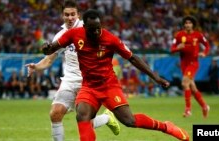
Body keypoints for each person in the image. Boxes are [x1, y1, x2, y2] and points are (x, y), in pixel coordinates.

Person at [42, 9, 189, 141]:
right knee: (82, 115)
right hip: (89, 87)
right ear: (84, 27)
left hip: (108, 86)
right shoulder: (74, 34)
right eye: (92, 30)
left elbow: (132, 57)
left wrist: (155, 77)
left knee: (129, 121)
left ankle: (166, 127)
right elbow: (51, 49)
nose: (96, 33)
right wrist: (46, 48)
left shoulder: (110, 39)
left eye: (98, 28)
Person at [25, 2, 120, 141]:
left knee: (85, 121)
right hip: (69, 80)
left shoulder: (89, 29)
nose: (70, 18)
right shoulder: (61, 35)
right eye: (66, 14)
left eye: (72, 14)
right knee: (55, 113)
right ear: (62, 16)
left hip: (88, 82)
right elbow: (49, 59)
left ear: (78, 15)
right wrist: (37, 66)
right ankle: (107, 118)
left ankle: (107, 118)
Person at [171, 15, 210, 118]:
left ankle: (188, 109)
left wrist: (204, 53)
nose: (188, 25)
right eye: (186, 23)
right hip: (184, 63)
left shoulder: (198, 35)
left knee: (184, 83)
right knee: (192, 87)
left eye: (190, 23)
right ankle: (204, 106)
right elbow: (172, 49)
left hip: (193, 63)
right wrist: (177, 48)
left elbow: (207, 45)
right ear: (184, 24)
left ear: (193, 25)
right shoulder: (179, 35)